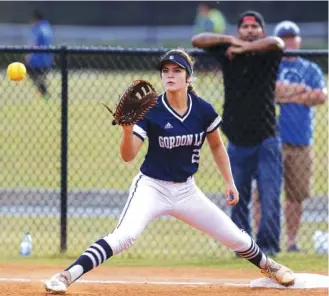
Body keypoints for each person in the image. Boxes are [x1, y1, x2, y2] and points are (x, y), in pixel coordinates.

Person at [44, 48, 295, 294]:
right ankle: (65, 275)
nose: (170, 75)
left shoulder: (202, 110)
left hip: (186, 191)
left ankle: (270, 266)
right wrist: (127, 130)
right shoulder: (151, 109)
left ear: (189, 77)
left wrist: (229, 181)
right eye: (165, 70)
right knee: (124, 236)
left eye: (177, 70)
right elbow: (128, 155)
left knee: (234, 236)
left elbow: (217, 145)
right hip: (152, 187)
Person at [191, 11, 284, 256]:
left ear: (262, 31)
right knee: (237, 197)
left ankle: (269, 248)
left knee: (270, 196)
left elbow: (278, 42)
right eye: (245, 26)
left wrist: (242, 48)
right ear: (238, 30)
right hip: (236, 139)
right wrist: (232, 43)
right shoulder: (227, 52)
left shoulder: (269, 53)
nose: (250, 30)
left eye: (255, 27)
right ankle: (245, 248)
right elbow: (198, 39)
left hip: (266, 137)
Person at [273, 21, 327, 252]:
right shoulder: (270, 65)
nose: (288, 41)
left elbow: (320, 96)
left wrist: (286, 92)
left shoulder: (310, 68)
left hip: (302, 140)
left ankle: (291, 242)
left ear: (299, 40)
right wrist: (302, 91)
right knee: (264, 193)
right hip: (272, 139)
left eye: (292, 37)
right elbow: (271, 91)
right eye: (283, 38)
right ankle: (264, 242)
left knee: (296, 195)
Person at [25, 10, 53, 101]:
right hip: (47, 58)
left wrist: (29, 55)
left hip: (37, 59)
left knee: (32, 74)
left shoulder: (37, 28)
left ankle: (43, 92)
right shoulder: (47, 27)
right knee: (41, 77)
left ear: (36, 19)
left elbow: (34, 43)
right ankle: (42, 92)